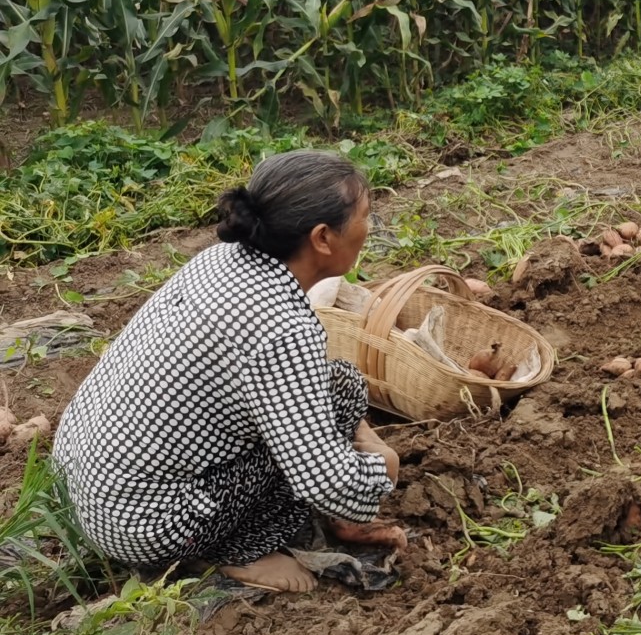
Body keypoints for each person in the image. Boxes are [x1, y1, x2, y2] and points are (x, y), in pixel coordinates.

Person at [54, 151, 402, 596]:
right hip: (144, 526)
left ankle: (312, 515)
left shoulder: (224, 258)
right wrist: (381, 470)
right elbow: (321, 480)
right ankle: (239, 552)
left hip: (85, 479)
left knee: (341, 386)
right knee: (317, 465)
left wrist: (363, 444)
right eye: (365, 217)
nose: (369, 229)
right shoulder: (281, 329)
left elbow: (310, 388)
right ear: (322, 238)